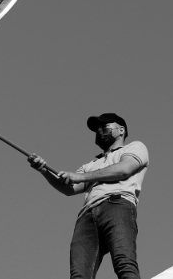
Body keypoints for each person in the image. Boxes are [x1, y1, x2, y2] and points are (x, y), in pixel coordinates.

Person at [28, 113, 149, 279]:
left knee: (124, 263)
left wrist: (81, 177)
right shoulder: (90, 165)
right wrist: (44, 171)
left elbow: (124, 170)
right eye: (97, 129)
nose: (100, 131)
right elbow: (69, 188)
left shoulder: (135, 147)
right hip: (86, 217)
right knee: (79, 275)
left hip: (117, 205)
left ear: (121, 130)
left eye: (104, 127)